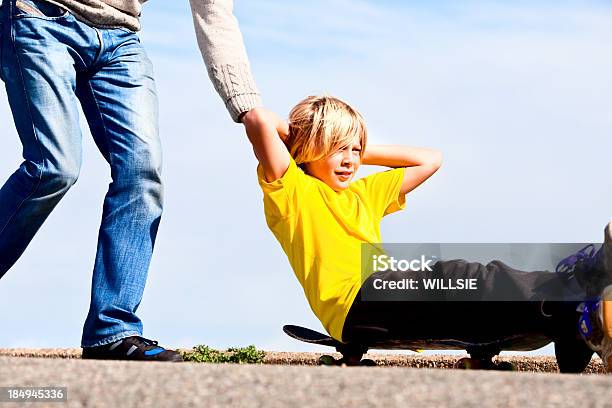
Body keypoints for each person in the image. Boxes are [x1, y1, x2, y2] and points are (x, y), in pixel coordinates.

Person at [245, 95, 612, 370]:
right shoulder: (293, 191)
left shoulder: (363, 193)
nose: (350, 160)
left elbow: (430, 158)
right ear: (307, 148)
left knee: (474, 290)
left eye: (355, 150)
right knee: (461, 277)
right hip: (357, 301)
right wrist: (307, 137)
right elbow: (259, 119)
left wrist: (355, 145)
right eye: (338, 150)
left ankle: (573, 320)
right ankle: (576, 289)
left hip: (384, 296)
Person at [0, 0, 280, 361]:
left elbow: (214, 12)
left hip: (121, 37)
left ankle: (111, 332)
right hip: (39, 15)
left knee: (142, 172)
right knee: (54, 166)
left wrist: (246, 104)